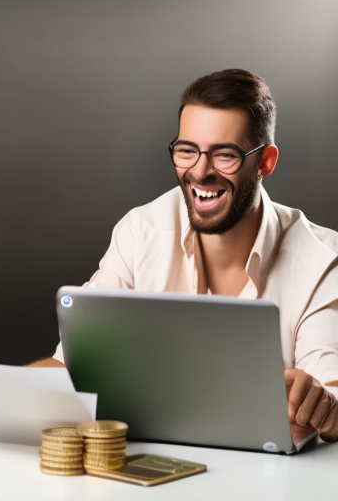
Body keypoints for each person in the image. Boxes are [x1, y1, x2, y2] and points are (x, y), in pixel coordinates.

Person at [29, 68, 338, 443]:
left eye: (225, 154)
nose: (200, 172)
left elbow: (331, 394)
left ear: (266, 162)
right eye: (187, 151)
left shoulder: (323, 261)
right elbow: (71, 370)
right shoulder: (139, 233)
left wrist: (325, 407)